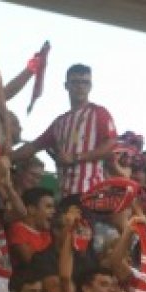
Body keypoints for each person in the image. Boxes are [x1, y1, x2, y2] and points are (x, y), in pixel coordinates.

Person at [30, 64, 117, 198]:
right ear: (66, 86)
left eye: (85, 83)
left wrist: (76, 157)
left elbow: (111, 145)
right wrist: (7, 156)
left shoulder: (99, 113)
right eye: (76, 82)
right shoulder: (60, 122)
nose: (80, 86)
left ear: (90, 87)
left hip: (90, 192)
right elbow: (34, 146)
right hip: (64, 193)